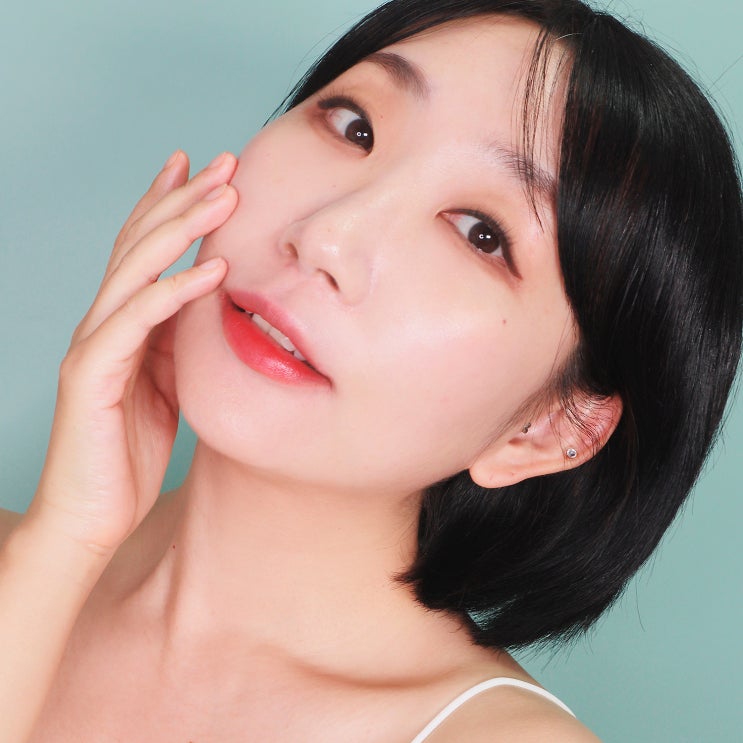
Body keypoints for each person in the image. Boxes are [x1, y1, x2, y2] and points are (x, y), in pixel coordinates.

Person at [1, 0, 740, 740]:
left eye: (481, 234)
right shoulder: (29, 565)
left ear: (546, 427)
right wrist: (62, 544)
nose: (325, 235)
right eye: (355, 126)